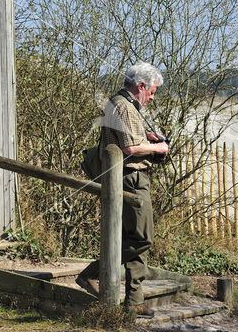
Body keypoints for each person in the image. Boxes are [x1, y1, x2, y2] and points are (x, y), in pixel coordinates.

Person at [76, 62, 168, 318]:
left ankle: (134, 301)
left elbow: (128, 140)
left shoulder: (123, 105)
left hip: (129, 177)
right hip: (130, 177)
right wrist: (158, 149)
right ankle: (91, 273)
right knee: (142, 238)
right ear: (141, 86)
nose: (152, 97)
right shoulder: (125, 106)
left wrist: (146, 137)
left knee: (135, 237)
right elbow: (129, 149)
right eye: (152, 92)